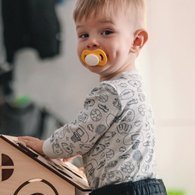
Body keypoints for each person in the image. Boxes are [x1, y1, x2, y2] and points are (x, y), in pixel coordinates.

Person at [19, 0, 167, 194]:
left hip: (121, 191)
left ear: (136, 41)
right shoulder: (133, 85)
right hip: (147, 187)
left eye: (106, 32)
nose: (92, 41)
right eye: (84, 35)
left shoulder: (109, 91)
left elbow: (79, 132)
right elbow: (113, 136)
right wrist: (78, 150)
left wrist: (46, 147)